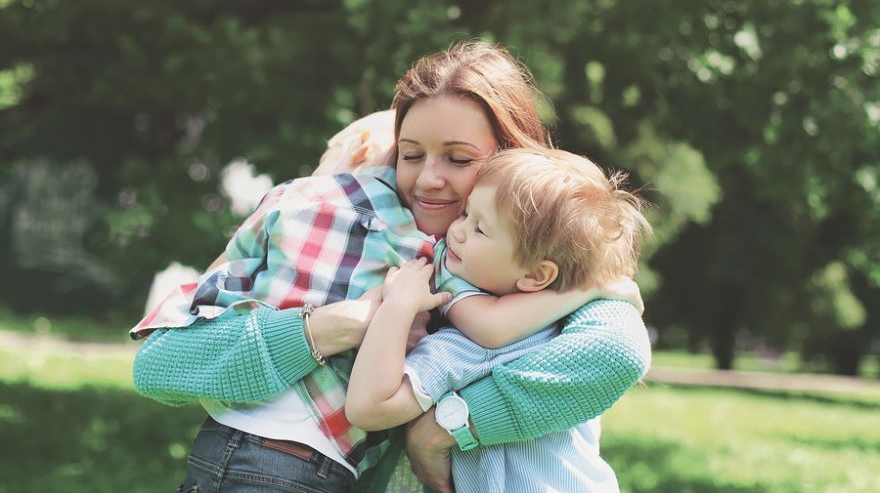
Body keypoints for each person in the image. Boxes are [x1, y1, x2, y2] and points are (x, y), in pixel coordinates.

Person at [130, 41, 652, 493]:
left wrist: (446, 428)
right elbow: (158, 363)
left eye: (459, 159)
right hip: (268, 460)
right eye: (409, 155)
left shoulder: (557, 250)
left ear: (510, 161)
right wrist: (333, 326)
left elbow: (615, 352)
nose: (427, 180)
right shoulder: (348, 221)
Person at [346, 147, 650, 492]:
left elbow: (369, 408)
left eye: (480, 229)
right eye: (465, 214)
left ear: (536, 276)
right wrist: (592, 288)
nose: (456, 232)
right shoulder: (570, 333)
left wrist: (398, 306)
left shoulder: (474, 349)